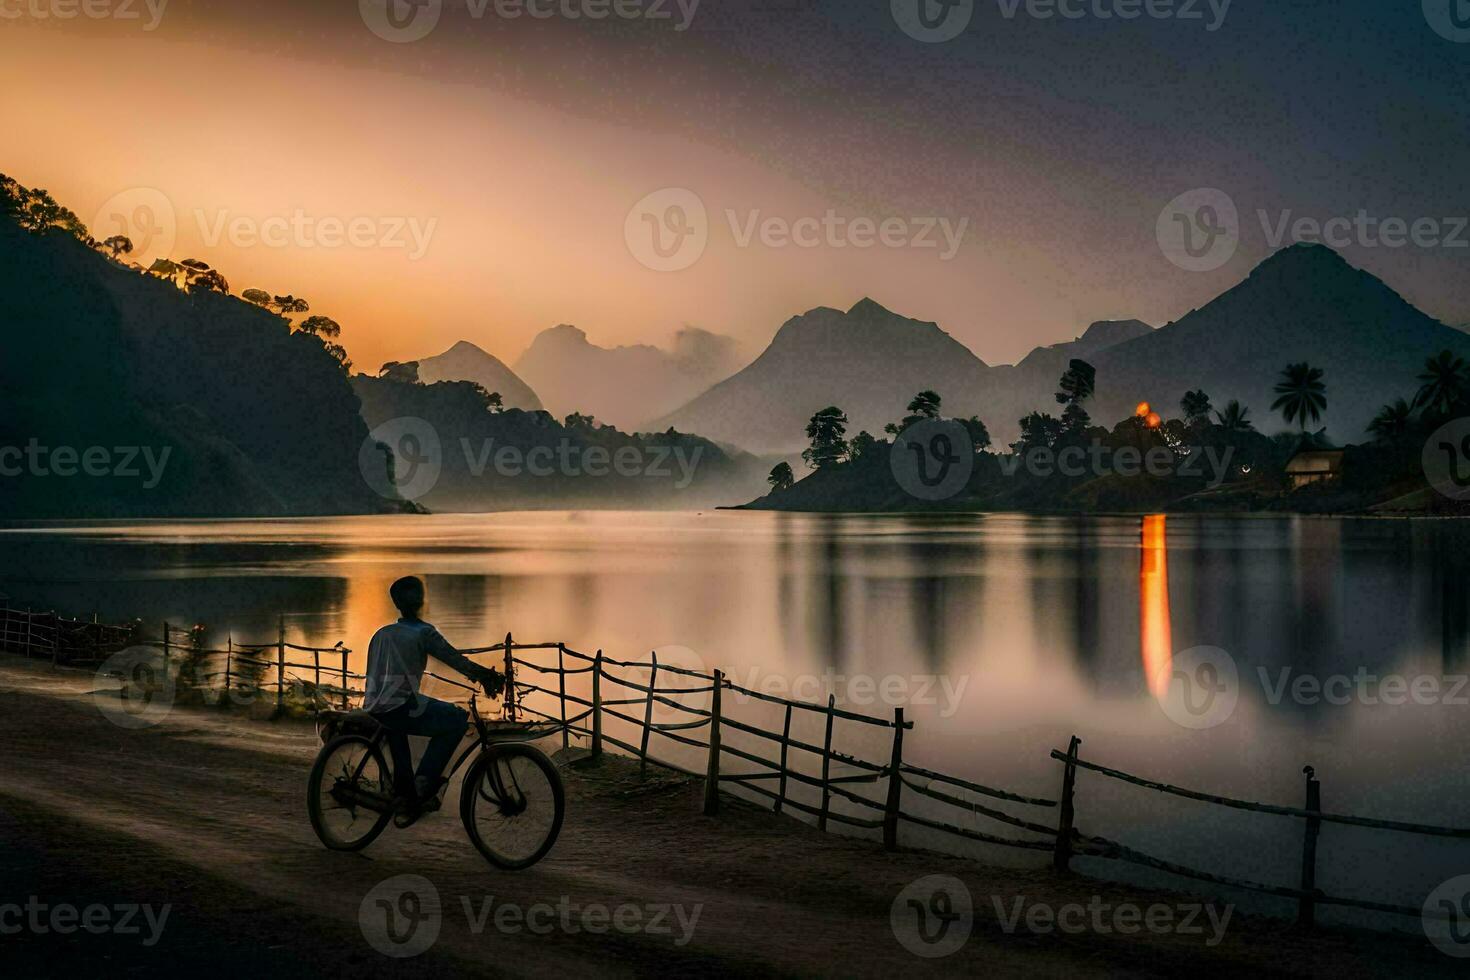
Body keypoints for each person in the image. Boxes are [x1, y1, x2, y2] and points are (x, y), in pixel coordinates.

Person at [363, 575, 504, 826]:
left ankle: (406, 794)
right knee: (457, 719)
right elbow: (454, 660)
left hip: (375, 706)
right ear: (421, 601)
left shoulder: (382, 633)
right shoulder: (423, 632)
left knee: (405, 736)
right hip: (400, 705)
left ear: (396, 603)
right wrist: (485, 676)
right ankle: (423, 783)